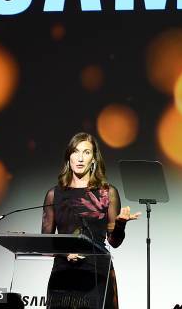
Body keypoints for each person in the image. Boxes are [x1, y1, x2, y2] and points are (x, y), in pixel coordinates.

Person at [41, 132, 141, 309]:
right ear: (68, 157)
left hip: (96, 274)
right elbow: (46, 243)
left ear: (94, 159)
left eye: (86, 152)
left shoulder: (107, 193)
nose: (80, 158)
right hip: (63, 276)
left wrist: (120, 224)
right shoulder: (54, 194)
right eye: (75, 152)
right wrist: (66, 254)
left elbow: (114, 242)